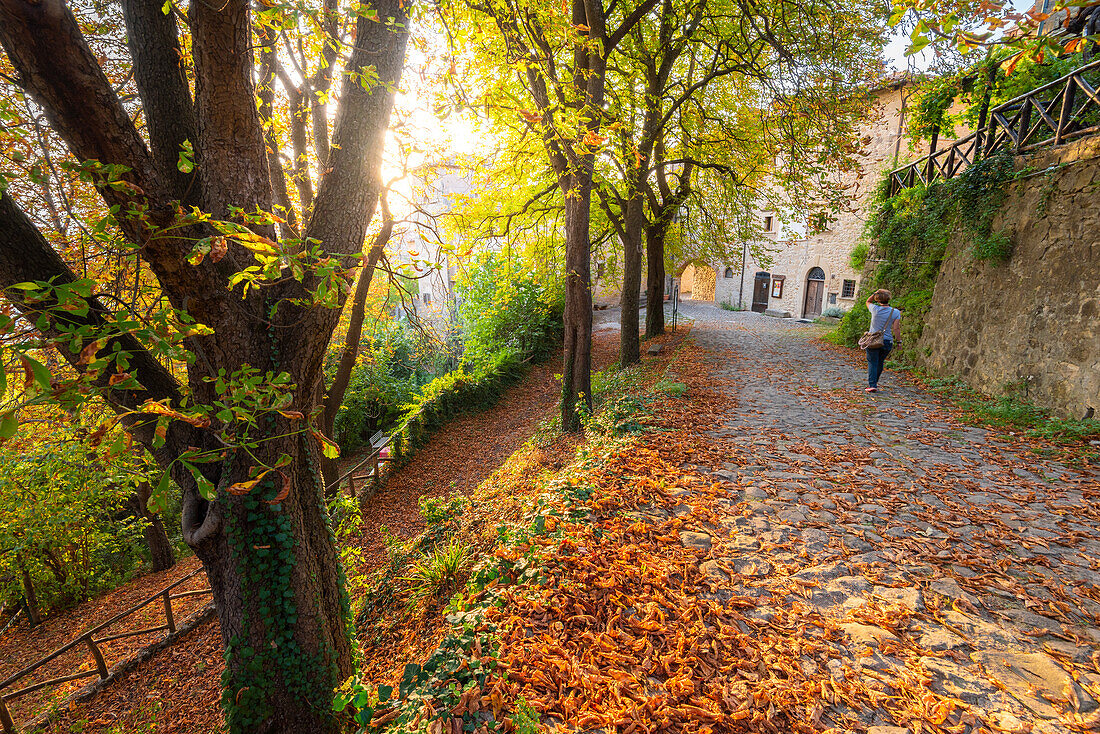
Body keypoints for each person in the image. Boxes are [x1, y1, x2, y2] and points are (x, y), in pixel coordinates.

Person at [864, 289, 901, 393]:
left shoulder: (874, 309)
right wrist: (899, 342)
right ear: (888, 298)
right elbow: (896, 329)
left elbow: (868, 301)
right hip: (887, 341)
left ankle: (872, 385)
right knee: (880, 362)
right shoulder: (895, 312)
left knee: (872, 362)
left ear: (877, 299)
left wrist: (875, 292)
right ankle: (875, 383)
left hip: (873, 340)